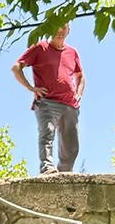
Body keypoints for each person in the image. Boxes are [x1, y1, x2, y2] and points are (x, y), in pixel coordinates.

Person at [12, 23, 85, 174]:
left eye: (63, 28)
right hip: (47, 101)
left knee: (71, 143)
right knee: (47, 134)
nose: (59, 30)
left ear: (68, 30)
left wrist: (78, 93)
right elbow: (16, 67)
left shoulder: (72, 52)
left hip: (71, 104)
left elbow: (80, 76)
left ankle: (65, 172)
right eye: (57, 27)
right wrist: (31, 88)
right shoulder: (40, 47)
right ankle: (47, 168)